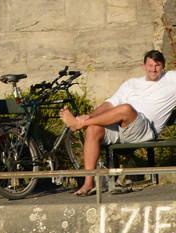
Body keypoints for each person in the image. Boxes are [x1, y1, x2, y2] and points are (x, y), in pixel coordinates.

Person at [61, 50, 176, 196]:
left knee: (126, 109)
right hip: (122, 127)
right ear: (144, 66)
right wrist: (87, 117)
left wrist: (81, 122)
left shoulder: (172, 79)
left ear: (163, 66)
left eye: (157, 65)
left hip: (144, 131)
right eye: (150, 65)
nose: (153, 69)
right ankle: (88, 183)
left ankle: (78, 125)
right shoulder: (131, 83)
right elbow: (109, 104)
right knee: (93, 129)